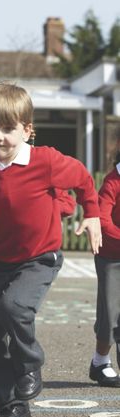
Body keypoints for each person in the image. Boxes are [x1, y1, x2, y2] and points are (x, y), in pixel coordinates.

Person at [0, 81, 101, 417]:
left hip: (39, 258)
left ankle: (30, 362)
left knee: (14, 307)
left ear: (26, 130)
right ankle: (10, 404)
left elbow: (82, 179)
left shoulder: (46, 161)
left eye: (8, 129)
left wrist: (91, 212)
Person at [0, 151, 77, 395]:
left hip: (27, 248)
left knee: (15, 305)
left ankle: (20, 363)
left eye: (6, 130)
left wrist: (35, 204)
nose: (0, 139)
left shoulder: (38, 165)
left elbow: (68, 201)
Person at [88, 151, 120, 387]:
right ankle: (100, 362)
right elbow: (103, 219)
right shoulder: (112, 182)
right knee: (110, 314)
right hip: (111, 256)